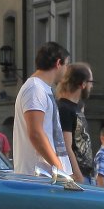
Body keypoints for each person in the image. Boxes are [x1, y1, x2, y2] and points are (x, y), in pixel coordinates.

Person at [13, 42, 71, 179]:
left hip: (48, 175)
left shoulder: (41, 88)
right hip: (38, 177)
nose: (67, 70)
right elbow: (36, 133)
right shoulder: (35, 88)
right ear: (58, 63)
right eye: (67, 65)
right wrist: (59, 170)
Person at [55, 63, 94, 182]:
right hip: (76, 175)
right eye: (90, 82)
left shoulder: (75, 107)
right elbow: (66, 146)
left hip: (86, 174)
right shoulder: (64, 109)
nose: (91, 86)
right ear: (83, 84)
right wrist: (78, 175)